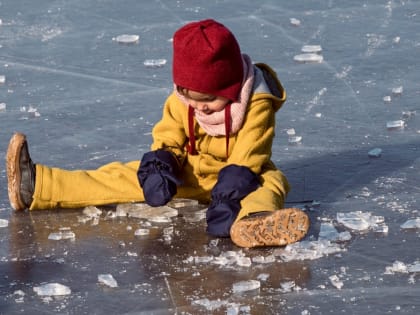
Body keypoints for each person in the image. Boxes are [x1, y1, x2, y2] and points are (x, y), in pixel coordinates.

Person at [6, 19, 309, 248]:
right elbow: (169, 135)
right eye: (190, 99)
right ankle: (39, 186)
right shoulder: (183, 100)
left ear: (231, 89)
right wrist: (160, 168)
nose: (199, 109)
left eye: (208, 101)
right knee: (121, 175)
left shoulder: (256, 103)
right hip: (190, 171)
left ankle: (251, 222)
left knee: (272, 183)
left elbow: (250, 156)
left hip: (241, 178)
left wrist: (229, 197)